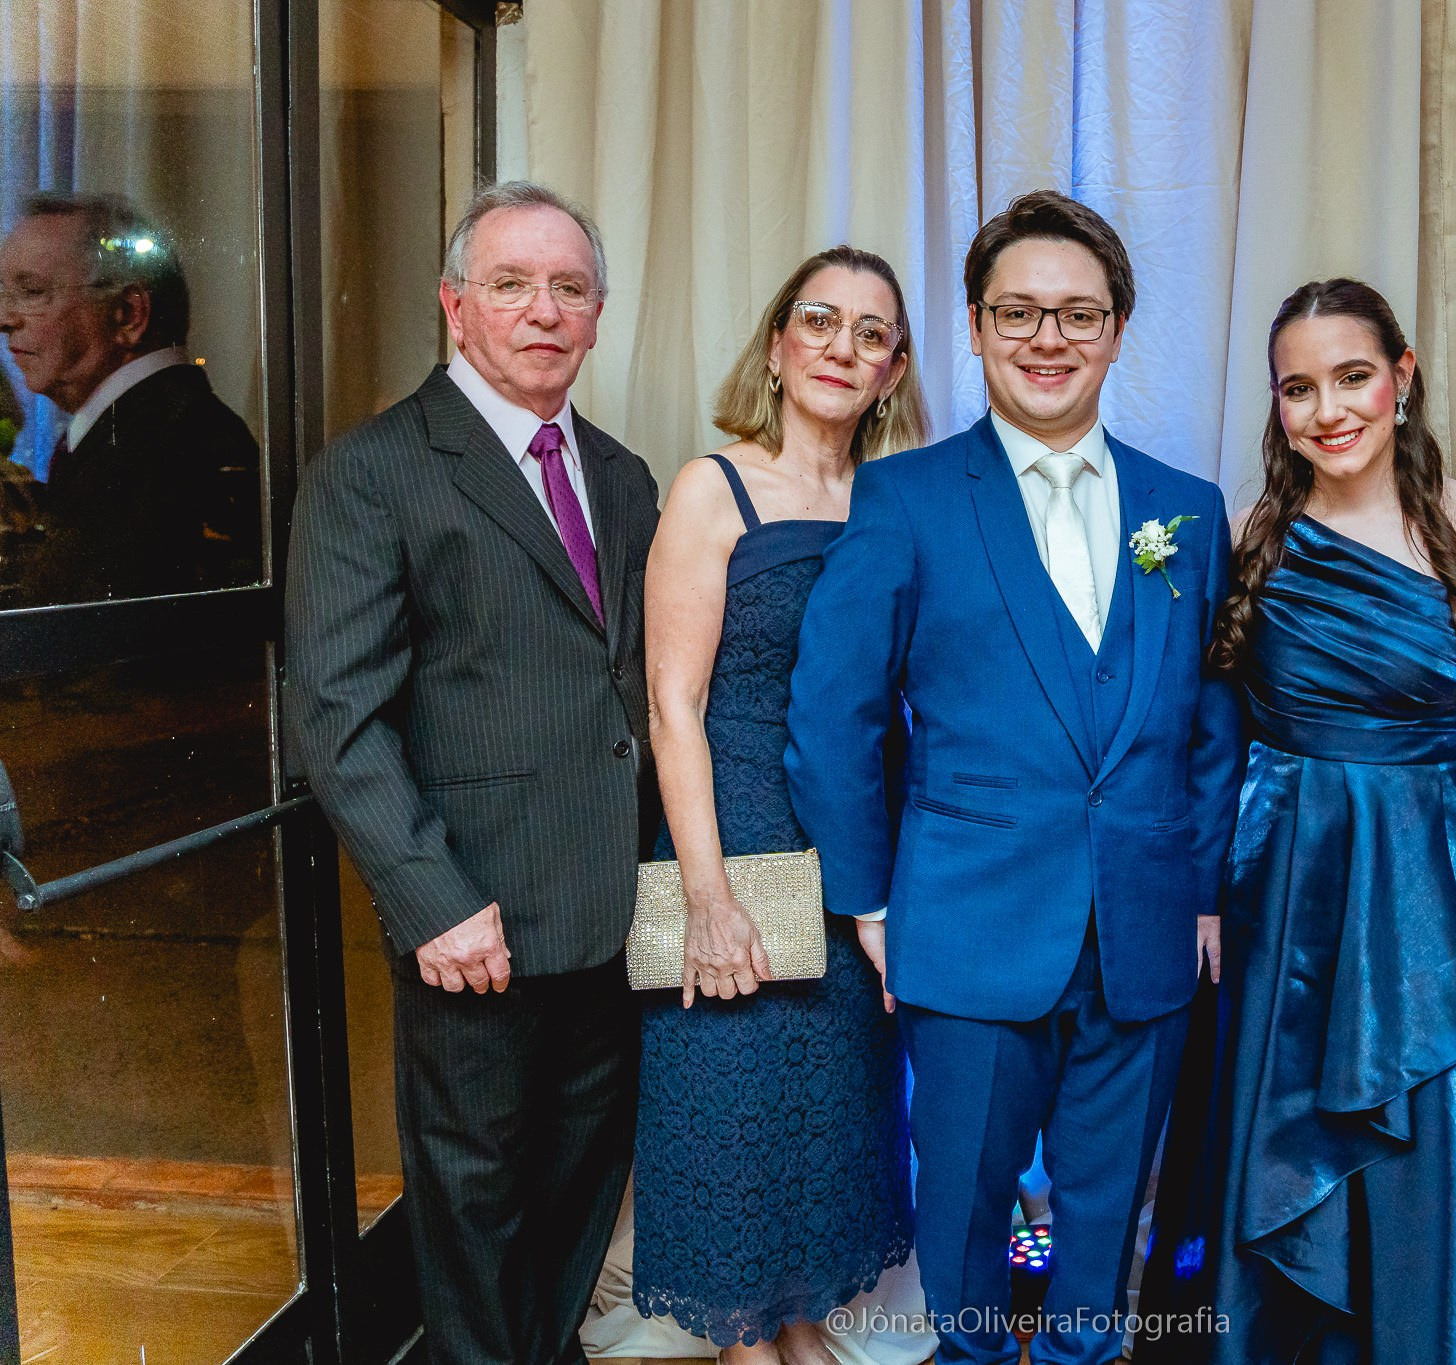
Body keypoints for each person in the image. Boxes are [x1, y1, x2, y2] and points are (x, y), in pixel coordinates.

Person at [784, 190, 1244, 1365]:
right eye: (1018, 313)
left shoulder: (1184, 513)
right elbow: (832, 716)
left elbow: (1206, 720)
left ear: (1119, 329)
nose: (1048, 338)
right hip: (967, 925)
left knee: (1105, 1222)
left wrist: (1197, 890)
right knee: (965, 1220)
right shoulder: (905, 498)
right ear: (977, 329)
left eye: (1076, 314)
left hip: (1143, 933)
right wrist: (869, 900)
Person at [284, 180, 660, 1364]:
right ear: (456, 308)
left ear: (598, 315)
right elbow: (336, 715)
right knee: (475, 1211)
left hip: (610, 917)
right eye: (510, 285)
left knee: (578, 1197)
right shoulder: (376, 471)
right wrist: (433, 902)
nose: (542, 310)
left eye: (568, 288)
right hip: (475, 923)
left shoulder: (623, 474)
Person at [1137, 279, 1456, 1363]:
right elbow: (1212, 737)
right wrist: (1211, 893)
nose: (1327, 410)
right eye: (1298, 389)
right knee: (1273, 1124)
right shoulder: (1254, 536)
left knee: (1425, 1119)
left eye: (1351, 377)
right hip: (1286, 882)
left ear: (1400, 377)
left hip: (1421, 878)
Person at [627, 246, 931, 1364]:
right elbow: (673, 701)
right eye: (819, 320)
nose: (841, 346)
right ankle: (747, 1346)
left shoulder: (900, 499)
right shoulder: (715, 485)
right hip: (738, 834)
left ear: (893, 368)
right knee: (737, 1124)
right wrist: (705, 896)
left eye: (870, 332)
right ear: (776, 343)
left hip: (859, 854)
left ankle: (798, 1332)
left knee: (833, 1132)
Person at [0, 192, 259, 604]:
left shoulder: (171, 446)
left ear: (128, 314)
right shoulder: (138, 435)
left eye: (31, 292)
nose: (5, 320)